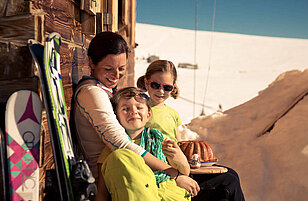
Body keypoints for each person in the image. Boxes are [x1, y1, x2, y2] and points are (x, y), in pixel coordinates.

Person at [72, 32, 199, 196]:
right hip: (116, 179)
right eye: (108, 69)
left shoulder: (105, 89)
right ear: (92, 62)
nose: (116, 75)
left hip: (135, 173)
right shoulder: (92, 93)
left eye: (122, 68)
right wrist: (174, 174)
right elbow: (121, 144)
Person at [137, 60, 245, 201]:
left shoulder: (173, 114)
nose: (161, 91)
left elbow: (177, 144)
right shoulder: (141, 110)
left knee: (232, 174)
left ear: (173, 88)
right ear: (146, 82)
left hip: (178, 166)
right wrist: (177, 172)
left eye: (167, 87)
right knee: (228, 182)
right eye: (155, 85)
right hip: (164, 172)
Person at [95, 87, 199, 201]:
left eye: (139, 107)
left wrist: (178, 156)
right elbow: (102, 192)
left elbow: (185, 173)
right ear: (116, 117)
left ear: (148, 115)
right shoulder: (112, 149)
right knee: (120, 156)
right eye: (125, 109)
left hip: (171, 195)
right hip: (141, 196)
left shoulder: (161, 140)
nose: (133, 111)